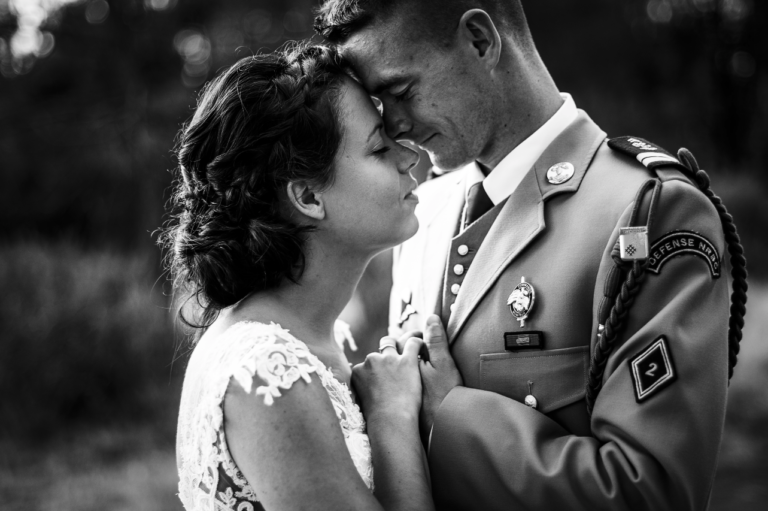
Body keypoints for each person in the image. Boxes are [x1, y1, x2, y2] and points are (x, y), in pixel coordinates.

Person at [315, 1, 735, 510]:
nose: (396, 126)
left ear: (480, 41)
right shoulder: (420, 211)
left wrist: (448, 413)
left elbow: (653, 493)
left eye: (401, 92)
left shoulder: (649, 211)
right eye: (381, 106)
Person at [162, 44, 436, 511]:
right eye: (377, 147)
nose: (408, 156)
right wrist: (390, 416)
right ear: (308, 195)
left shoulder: (305, 341)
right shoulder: (268, 372)